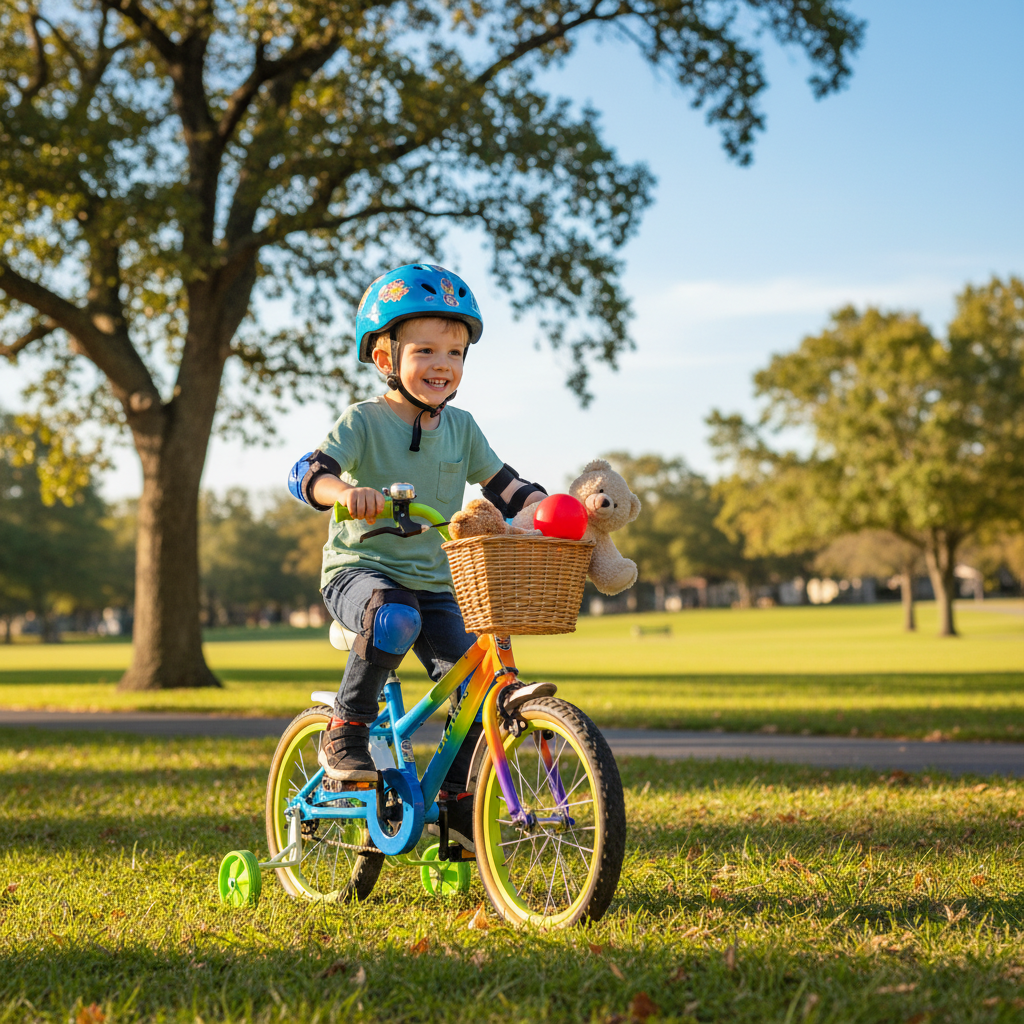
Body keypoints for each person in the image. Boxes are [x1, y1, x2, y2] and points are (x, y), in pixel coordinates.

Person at [287, 263, 546, 851]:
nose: (442, 364)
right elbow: (307, 472)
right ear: (386, 358)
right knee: (394, 616)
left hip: (436, 582)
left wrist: (547, 508)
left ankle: (457, 799)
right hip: (359, 573)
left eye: (454, 352)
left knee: (478, 686)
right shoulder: (363, 420)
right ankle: (345, 730)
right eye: (425, 350)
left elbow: (506, 486)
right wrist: (343, 493)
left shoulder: (462, 429)